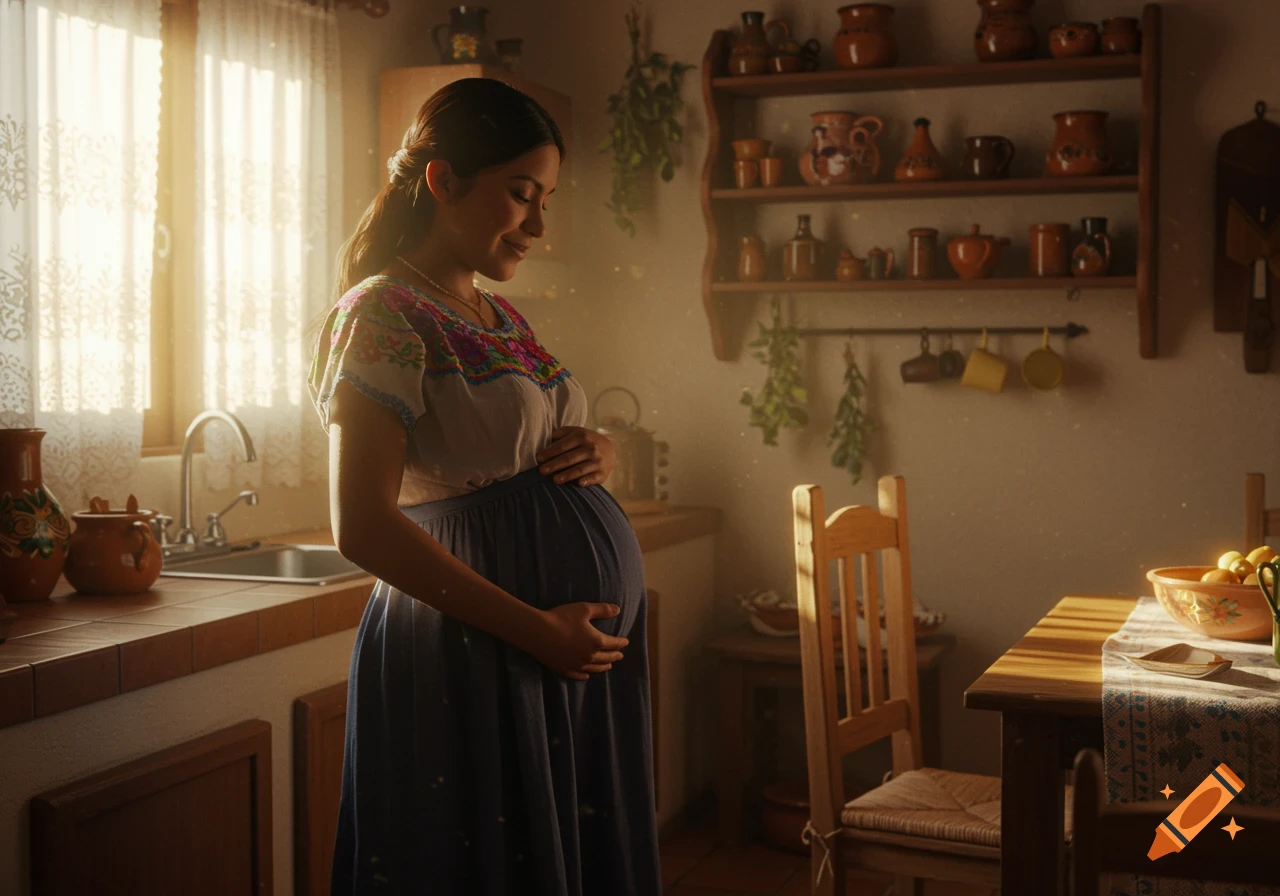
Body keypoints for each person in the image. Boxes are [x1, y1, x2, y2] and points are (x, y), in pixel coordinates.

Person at [307, 78, 660, 895]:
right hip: (475, 650)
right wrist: (536, 629)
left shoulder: (498, 315)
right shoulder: (381, 313)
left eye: (547, 200)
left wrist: (593, 451)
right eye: (520, 195)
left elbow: (515, 445)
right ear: (443, 182)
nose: (538, 224)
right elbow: (359, 525)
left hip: (548, 655)